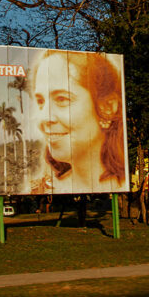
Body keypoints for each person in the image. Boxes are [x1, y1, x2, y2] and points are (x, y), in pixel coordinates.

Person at [30, 50, 126, 195]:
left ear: (107, 107)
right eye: (41, 101)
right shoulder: (48, 188)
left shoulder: (123, 183)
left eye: (62, 99)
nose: (44, 118)